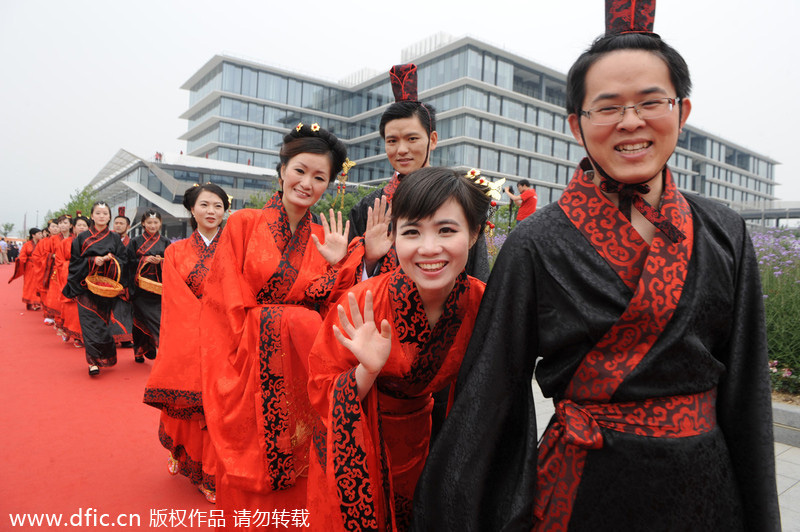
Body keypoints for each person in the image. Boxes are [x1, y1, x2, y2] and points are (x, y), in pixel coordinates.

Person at [411, 2, 781, 531]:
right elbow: (488, 395)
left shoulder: (725, 231)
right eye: (607, 107)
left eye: (651, 102)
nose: (631, 122)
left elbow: (748, 396)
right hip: (581, 490)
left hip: (706, 492)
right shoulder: (534, 244)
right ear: (576, 123)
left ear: (683, 111)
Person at [307, 167, 490, 531]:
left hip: (423, 439)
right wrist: (366, 371)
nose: (428, 248)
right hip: (359, 440)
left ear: (473, 235)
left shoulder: (482, 304)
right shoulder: (363, 301)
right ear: (394, 240)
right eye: (411, 232)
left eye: (446, 230)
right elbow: (320, 389)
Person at [199, 123, 356, 524]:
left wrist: (340, 264)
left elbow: (335, 308)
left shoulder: (326, 236)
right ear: (282, 169)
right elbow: (222, 301)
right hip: (250, 364)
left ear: (329, 185)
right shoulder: (243, 224)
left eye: (320, 177)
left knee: (304, 460)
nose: (307, 183)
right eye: (300, 170)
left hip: (304, 367)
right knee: (253, 468)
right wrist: (249, 344)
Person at [143, 183, 229, 504]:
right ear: (191, 210)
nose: (211, 211)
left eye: (218, 206)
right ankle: (200, 467)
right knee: (198, 406)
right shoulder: (175, 251)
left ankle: (217, 470)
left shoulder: (236, 246)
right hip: (192, 339)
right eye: (205, 205)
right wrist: (206, 324)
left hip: (229, 339)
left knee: (223, 407)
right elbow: (176, 302)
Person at [63, 201, 128, 376]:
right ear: (92, 215)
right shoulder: (82, 238)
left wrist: (110, 259)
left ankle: (104, 356)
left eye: (105, 213)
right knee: (89, 324)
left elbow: (123, 260)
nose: (101, 216)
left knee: (103, 324)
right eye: (98, 213)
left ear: (109, 216)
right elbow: (75, 263)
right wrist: (92, 261)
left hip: (106, 287)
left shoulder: (115, 238)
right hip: (86, 286)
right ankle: (93, 362)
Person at [126, 210, 169, 363]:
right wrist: (144, 260)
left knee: (159, 319)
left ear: (160, 224)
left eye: (156, 222)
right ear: (143, 223)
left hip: (158, 287)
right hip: (140, 288)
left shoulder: (165, 242)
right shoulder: (135, 241)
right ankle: (139, 350)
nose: (152, 225)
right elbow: (128, 262)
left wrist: (161, 261)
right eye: (149, 223)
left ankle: (159, 347)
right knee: (139, 320)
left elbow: (172, 262)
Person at [57, 215, 90, 347]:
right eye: (79, 225)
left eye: (85, 225)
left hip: (88, 280)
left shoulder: (91, 242)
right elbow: (59, 262)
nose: (82, 228)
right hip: (71, 278)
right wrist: (74, 268)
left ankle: (84, 335)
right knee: (73, 310)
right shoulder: (65, 243)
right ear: (74, 227)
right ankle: (75, 335)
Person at [43, 215, 74, 332]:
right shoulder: (53, 239)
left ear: (71, 225)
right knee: (56, 297)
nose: (62, 225)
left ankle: (66, 322)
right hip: (57, 271)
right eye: (60, 223)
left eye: (65, 223)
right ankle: (59, 321)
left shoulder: (75, 239)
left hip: (71, 271)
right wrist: (53, 256)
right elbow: (45, 254)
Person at [111, 208, 134, 347]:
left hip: (126, 280)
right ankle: (111, 337)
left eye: (121, 223)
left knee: (124, 310)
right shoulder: (108, 241)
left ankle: (125, 338)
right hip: (110, 280)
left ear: (128, 226)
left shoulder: (132, 242)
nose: (118, 225)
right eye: (116, 223)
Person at [31, 218, 61, 324]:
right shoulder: (44, 242)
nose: (55, 228)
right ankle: (49, 314)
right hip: (46, 269)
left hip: (59, 269)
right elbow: (37, 256)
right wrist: (51, 256)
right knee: (46, 292)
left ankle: (58, 315)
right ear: (48, 229)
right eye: (53, 226)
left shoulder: (63, 239)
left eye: (57, 226)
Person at [8, 227, 43, 310]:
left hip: (39, 266)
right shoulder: (27, 244)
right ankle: (29, 301)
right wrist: (21, 260)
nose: (41, 235)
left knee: (38, 284)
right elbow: (22, 255)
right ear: (33, 235)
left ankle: (37, 302)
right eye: (39, 234)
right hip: (29, 267)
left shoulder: (42, 243)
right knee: (29, 284)